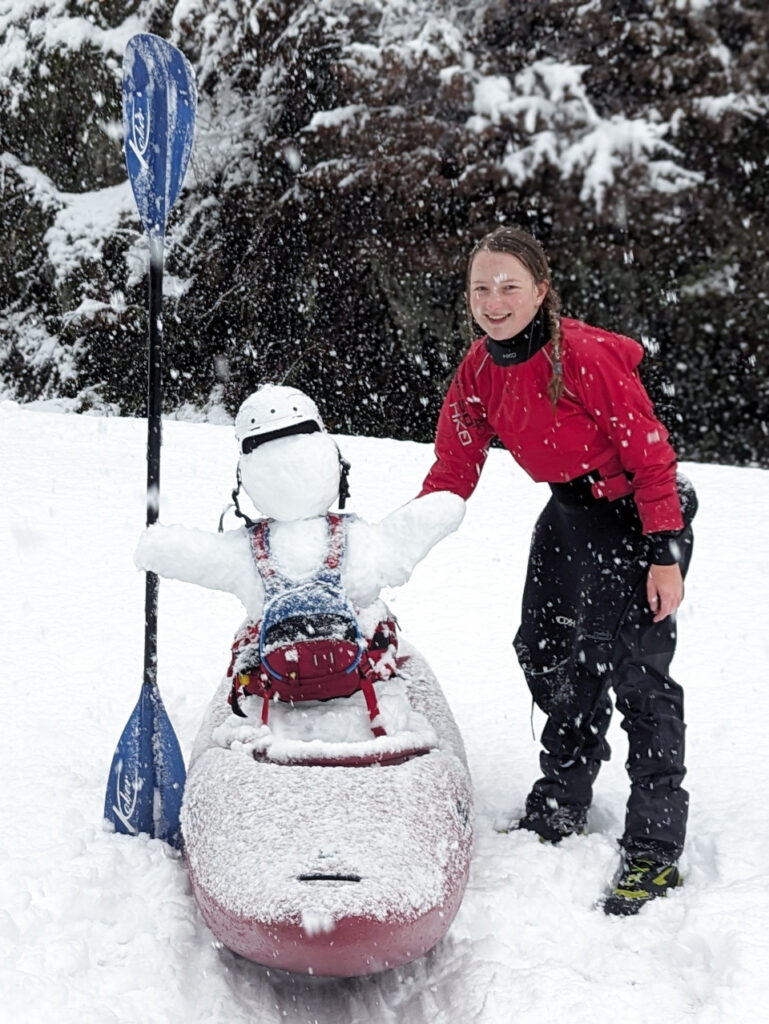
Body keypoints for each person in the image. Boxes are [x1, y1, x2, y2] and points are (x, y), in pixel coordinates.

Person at [420, 224, 697, 916]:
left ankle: (654, 846)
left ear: (540, 290)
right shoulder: (480, 369)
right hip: (570, 512)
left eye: (509, 286)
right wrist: (406, 537)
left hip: (636, 511)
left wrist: (663, 552)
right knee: (548, 651)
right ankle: (563, 798)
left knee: (637, 672)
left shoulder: (584, 357)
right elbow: (453, 465)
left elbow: (651, 456)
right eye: (481, 287)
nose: (493, 300)